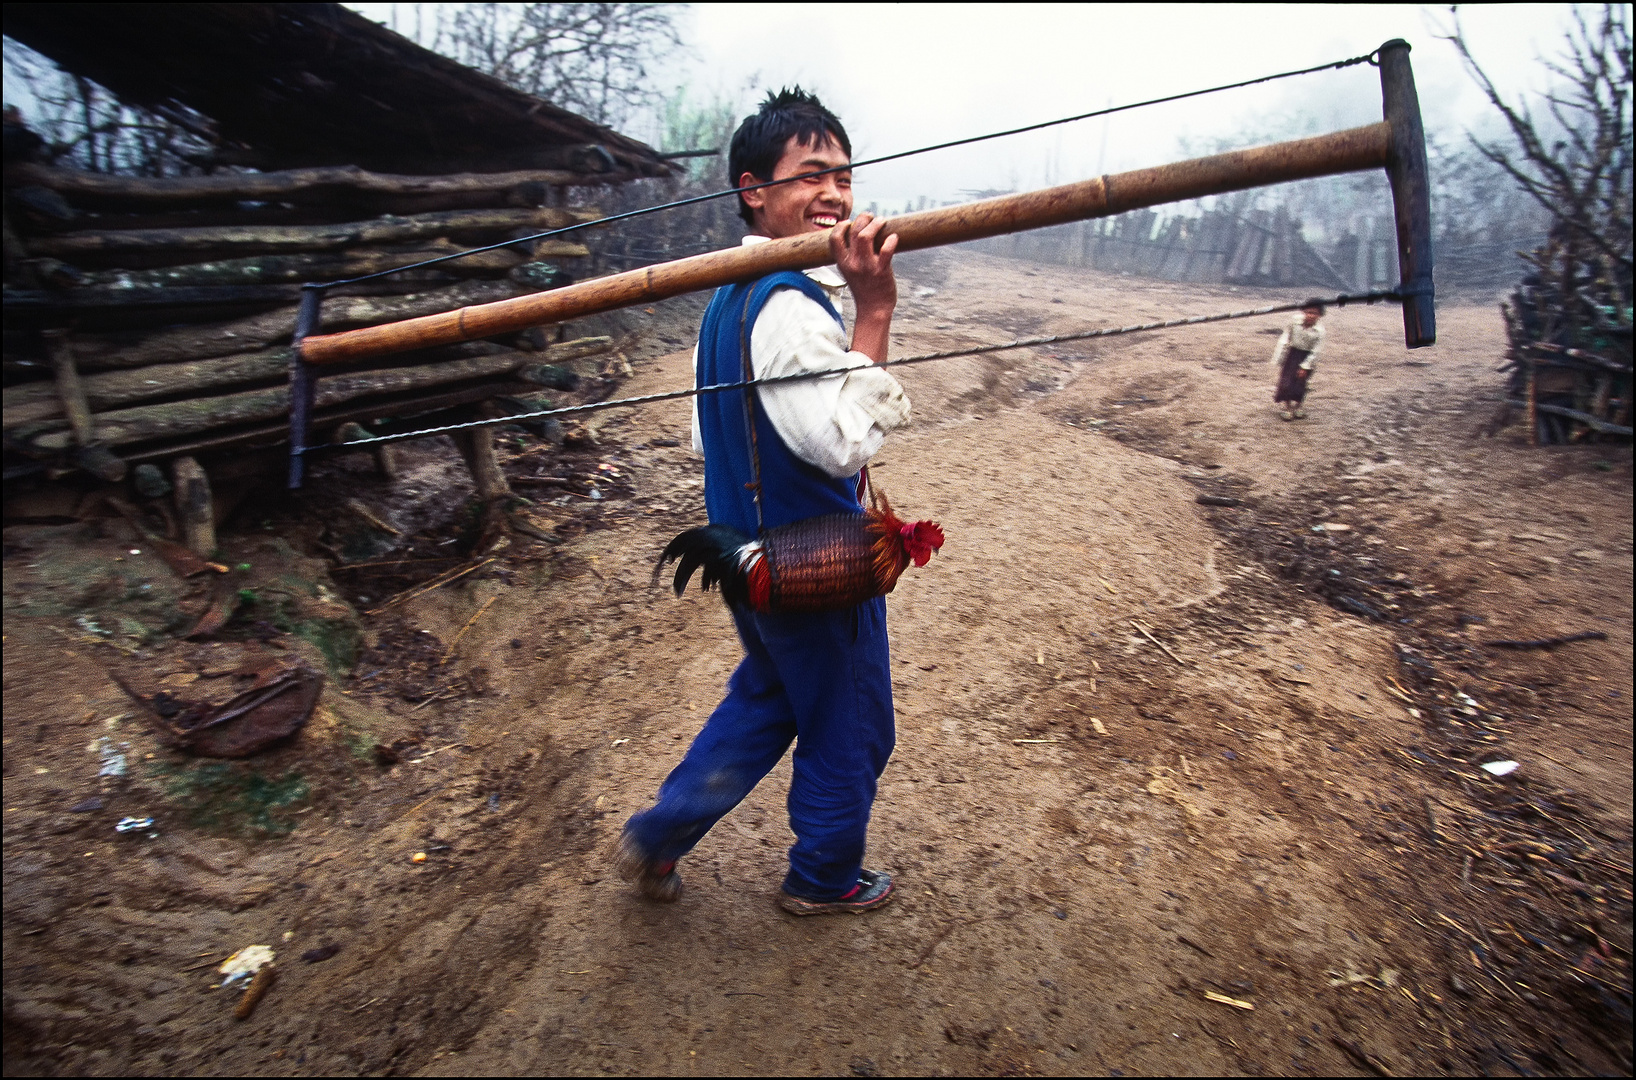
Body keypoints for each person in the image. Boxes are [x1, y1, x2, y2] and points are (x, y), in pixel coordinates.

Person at [615, 88, 911, 916]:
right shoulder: (784, 302)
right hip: (806, 562)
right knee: (849, 724)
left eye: (844, 176)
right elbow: (840, 443)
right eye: (812, 173)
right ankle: (824, 878)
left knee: (773, 695)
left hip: (748, 554)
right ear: (753, 190)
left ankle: (663, 833)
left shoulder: (730, 294)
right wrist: (876, 309)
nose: (835, 194)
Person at [1271, 301, 1327, 420]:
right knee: (1286, 382)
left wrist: (1305, 367)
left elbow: (1316, 351)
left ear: (1320, 315)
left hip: (1308, 356)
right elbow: (1286, 336)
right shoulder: (1294, 321)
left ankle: (1298, 407)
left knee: (1301, 383)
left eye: (1315, 313)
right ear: (1304, 312)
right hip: (1292, 354)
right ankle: (1287, 408)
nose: (1311, 315)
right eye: (1308, 312)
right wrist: (1281, 354)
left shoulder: (1320, 331)